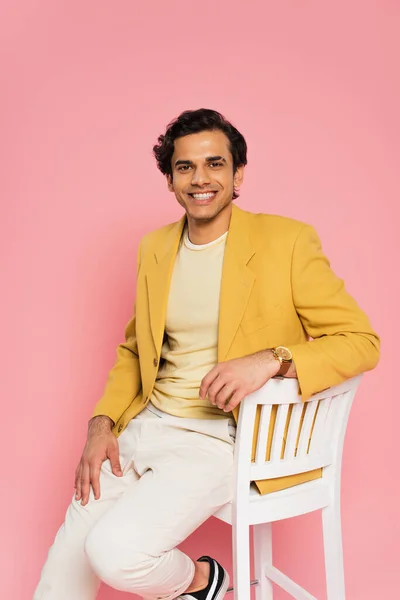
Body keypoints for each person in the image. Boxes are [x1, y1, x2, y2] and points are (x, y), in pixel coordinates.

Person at [34, 108, 380, 600]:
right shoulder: (154, 247)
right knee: (60, 576)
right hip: (144, 424)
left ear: (238, 174)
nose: (200, 179)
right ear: (171, 180)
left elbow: (361, 342)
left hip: (222, 439)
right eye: (184, 167)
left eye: (215, 164)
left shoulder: (287, 240)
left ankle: (202, 579)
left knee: (114, 553)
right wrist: (101, 424)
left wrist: (270, 359)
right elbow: (136, 349)